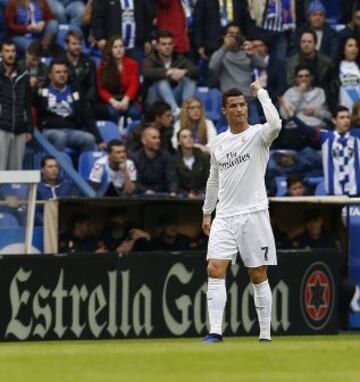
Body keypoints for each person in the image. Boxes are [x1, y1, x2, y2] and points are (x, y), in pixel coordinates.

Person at [202, 80, 282, 342]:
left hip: (254, 213)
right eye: (233, 106)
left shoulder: (259, 135)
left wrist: (261, 94)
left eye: (242, 105)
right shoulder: (219, 142)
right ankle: (215, 332)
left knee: (257, 273)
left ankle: (265, 334)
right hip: (224, 216)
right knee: (214, 268)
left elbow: (277, 124)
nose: (239, 110)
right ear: (224, 111)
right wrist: (207, 212)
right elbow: (214, 179)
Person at [34, 59, 106, 152]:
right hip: (49, 130)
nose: (62, 74)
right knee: (60, 137)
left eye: (64, 72)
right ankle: (57, 165)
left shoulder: (75, 93)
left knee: (89, 139)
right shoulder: (42, 92)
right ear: (50, 75)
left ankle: (80, 165)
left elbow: (87, 117)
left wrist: (99, 140)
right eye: (58, 72)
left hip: (71, 131)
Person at [209, 23, 266, 125]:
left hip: (247, 99)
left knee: (257, 133)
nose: (234, 37)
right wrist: (224, 46)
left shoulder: (246, 51)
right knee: (227, 134)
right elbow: (212, 67)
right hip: (229, 100)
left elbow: (263, 65)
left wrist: (252, 53)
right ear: (225, 36)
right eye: (231, 34)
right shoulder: (221, 53)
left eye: (237, 34)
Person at [143, 30, 198, 115]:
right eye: (164, 44)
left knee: (189, 81)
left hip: (173, 96)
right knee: (162, 82)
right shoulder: (151, 59)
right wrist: (168, 72)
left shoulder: (179, 58)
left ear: (173, 45)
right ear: (157, 46)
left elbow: (195, 70)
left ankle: (186, 111)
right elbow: (147, 72)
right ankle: (175, 112)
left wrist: (183, 72)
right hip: (155, 100)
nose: (167, 47)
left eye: (170, 44)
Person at [0, 39, 32, 170]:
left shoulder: (24, 75)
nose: (10, 54)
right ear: (1, 53)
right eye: (7, 51)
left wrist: (29, 128)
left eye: (12, 51)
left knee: (16, 172)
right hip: (1, 127)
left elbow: (27, 104)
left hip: (20, 128)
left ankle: (13, 192)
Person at [95, 35, 141, 124]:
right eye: (115, 47)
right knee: (113, 113)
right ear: (110, 50)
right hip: (110, 99)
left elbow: (134, 84)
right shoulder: (103, 66)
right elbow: (101, 89)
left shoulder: (133, 64)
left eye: (121, 46)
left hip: (127, 98)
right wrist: (113, 102)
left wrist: (126, 100)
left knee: (135, 113)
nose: (119, 49)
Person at [286, 30, 335, 100]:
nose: (306, 44)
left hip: (323, 98)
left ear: (315, 44)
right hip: (300, 97)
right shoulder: (292, 62)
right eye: (303, 42)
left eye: (309, 42)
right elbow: (291, 83)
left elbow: (331, 84)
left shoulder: (326, 62)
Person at [280, 64, 331, 129]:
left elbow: (329, 116)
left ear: (312, 77)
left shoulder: (320, 92)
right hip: (295, 128)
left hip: (317, 128)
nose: (304, 78)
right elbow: (284, 115)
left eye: (307, 76)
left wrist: (316, 112)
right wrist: (298, 95)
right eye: (300, 76)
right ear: (296, 79)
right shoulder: (290, 92)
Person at [130, 127, 177, 195]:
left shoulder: (166, 156)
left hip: (163, 195)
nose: (158, 141)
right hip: (141, 195)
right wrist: (146, 191)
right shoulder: (134, 158)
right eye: (154, 138)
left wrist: (173, 192)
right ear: (144, 141)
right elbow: (135, 181)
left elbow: (172, 178)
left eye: (158, 138)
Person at [36, 155, 75, 224]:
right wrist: (48, 224)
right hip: (45, 226)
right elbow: (36, 213)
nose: (54, 169)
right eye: (50, 167)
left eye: (56, 166)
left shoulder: (67, 186)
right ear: (42, 170)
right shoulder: (37, 188)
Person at [63, 29, 97, 104]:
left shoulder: (89, 62)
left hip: (85, 102)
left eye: (79, 44)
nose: (77, 47)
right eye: (74, 44)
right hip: (64, 101)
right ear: (66, 45)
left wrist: (87, 102)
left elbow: (92, 85)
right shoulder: (59, 62)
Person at [175, 128, 210, 197]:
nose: (189, 139)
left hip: (203, 195)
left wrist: (200, 193)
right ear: (179, 142)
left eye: (190, 136)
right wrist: (186, 194)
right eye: (184, 137)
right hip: (182, 197)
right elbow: (174, 181)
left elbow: (210, 178)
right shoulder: (174, 159)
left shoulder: (204, 157)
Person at [331, 35, 360, 111]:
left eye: (356, 46)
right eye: (350, 46)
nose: (354, 48)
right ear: (343, 49)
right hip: (342, 113)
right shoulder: (335, 67)